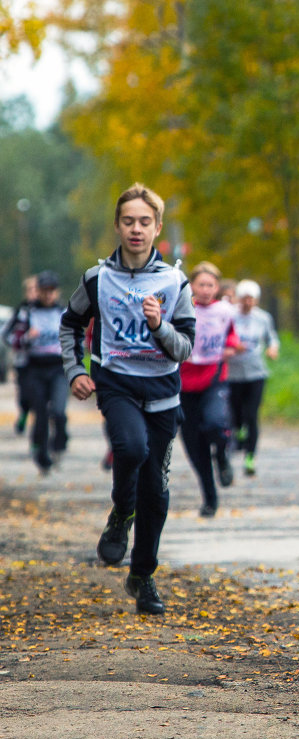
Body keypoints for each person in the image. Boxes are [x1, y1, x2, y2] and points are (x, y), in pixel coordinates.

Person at [59, 183, 195, 615]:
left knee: (156, 489)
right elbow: (69, 325)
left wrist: (158, 326)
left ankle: (143, 574)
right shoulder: (98, 278)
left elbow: (185, 348)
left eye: (144, 222)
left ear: (157, 227)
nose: (136, 229)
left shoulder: (174, 281)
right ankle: (121, 512)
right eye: (128, 221)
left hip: (162, 392)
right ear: (117, 226)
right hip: (116, 382)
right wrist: (75, 370)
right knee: (130, 448)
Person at [179, 262, 239, 517]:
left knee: (215, 424)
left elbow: (232, 338)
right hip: (183, 383)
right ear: (192, 286)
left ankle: (223, 456)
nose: (205, 290)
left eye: (210, 285)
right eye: (201, 284)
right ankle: (209, 498)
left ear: (217, 288)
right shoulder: (181, 308)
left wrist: (231, 347)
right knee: (195, 446)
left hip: (214, 377)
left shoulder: (225, 311)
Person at [5, 271, 68, 474]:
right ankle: (42, 455)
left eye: (52, 291)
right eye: (44, 291)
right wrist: (27, 339)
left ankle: (60, 441)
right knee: (40, 413)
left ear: (57, 292)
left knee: (58, 411)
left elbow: (76, 338)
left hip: (58, 368)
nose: (48, 295)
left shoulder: (64, 313)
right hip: (34, 368)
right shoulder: (27, 312)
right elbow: (10, 337)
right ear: (38, 292)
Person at [228, 279, 280, 477]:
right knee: (235, 413)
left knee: (252, 415)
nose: (248, 303)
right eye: (244, 299)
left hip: (256, 373)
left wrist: (273, 348)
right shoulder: (230, 315)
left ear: (256, 300)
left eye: (252, 299)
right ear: (238, 299)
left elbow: (271, 336)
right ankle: (238, 430)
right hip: (233, 374)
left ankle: (250, 457)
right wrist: (232, 347)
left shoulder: (263, 318)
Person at [3, 276, 38, 437]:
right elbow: (6, 334)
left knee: (42, 399)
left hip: (45, 362)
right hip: (24, 361)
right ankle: (24, 413)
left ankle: (39, 434)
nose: (34, 293)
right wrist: (22, 340)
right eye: (31, 290)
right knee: (25, 396)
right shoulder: (19, 311)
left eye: (37, 289)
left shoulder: (52, 310)